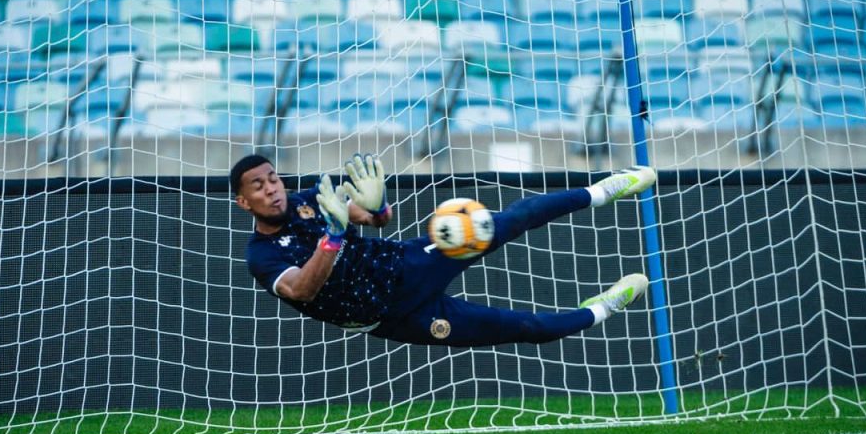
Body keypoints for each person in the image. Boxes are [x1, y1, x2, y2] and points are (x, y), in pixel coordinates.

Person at [232, 152, 654, 347]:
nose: (272, 188)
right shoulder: (262, 255)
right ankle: (604, 308)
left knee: (512, 218)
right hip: (394, 316)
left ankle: (602, 189)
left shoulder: (311, 199)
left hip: (408, 264)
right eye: (259, 185)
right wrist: (334, 238)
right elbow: (303, 290)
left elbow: (377, 219)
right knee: (523, 329)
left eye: (273, 178)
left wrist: (377, 205)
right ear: (243, 201)